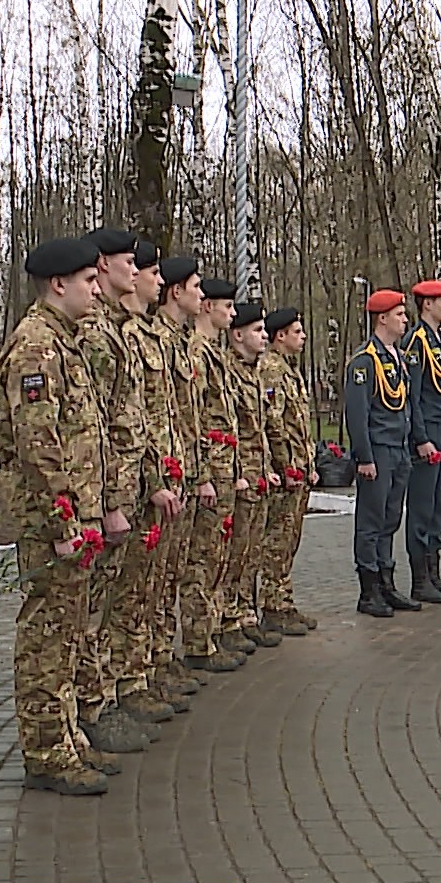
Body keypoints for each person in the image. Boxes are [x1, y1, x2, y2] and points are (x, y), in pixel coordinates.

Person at [0, 236, 111, 795]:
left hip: (77, 518)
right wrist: (66, 524)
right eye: (89, 281)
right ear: (58, 283)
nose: (97, 290)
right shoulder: (36, 347)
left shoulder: (66, 343)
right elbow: (40, 448)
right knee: (47, 636)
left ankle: (66, 734)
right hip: (53, 525)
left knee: (68, 634)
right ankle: (45, 750)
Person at [73, 227, 158, 755]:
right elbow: (92, 426)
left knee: (114, 603)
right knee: (88, 613)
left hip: (123, 491)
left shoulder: (119, 330)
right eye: (128, 262)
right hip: (98, 499)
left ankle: (109, 696)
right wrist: (108, 500)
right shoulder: (96, 333)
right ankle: (92, 706)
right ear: (102, 266)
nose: (134, 271)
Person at [108, 237, 189, 719]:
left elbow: (163, 416)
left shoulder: (142, 334)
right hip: (125, 490)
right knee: (124, 598)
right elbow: (117, 420)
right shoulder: (117, 335)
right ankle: (122, 686)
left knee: (152, 588)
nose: (156, 279)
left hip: (155, 480)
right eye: (148, 270)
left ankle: (144, 673)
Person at [149, 258, 210, 700]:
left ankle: (155, 667)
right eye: (196, 286)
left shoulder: (177, 343)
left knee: (163, 581)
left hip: (179, 475)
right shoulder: (147, 340)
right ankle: (136, 679)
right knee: (140, 593)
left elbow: (186, 418)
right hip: (150, 484)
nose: (202, 297)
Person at [179, 278, 245, 673]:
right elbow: (195, 418)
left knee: (216, 556)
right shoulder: (196, 353)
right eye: (226, 306)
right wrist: (202, 473)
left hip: (222, 471)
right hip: (208, 473)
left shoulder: (213, 353)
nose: (232, 313)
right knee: (201, 561)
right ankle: (198, 640)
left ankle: (213, 631)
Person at [345, 289, 417, 617]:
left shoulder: (397, 356)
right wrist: (364, 457)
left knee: (391, 518)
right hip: (378, 451)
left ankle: (387, 581)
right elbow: (357, 414)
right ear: (382, 318)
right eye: (399, 315)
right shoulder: (365, 360)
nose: (405, 320)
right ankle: (368, 588)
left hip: (399, 449)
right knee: (371, 521)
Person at [221, 303, 282, 648]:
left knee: (250, 553)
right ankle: (229, 617)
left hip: (257, 474)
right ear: (238, 334)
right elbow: (230, 427)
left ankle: (244, 613)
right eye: (258, 331)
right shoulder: (229, 370)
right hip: (239, 474)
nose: (264, 337)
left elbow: (264, 427)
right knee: (233, 553)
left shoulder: (256, 372)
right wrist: (241, 472)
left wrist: (269, 468)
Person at [256, 308, 318, 634]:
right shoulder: (271, 370)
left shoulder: (289, 370)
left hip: (299, 468)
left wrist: (309, 463)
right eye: (297, 331)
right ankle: (272, 605)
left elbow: (298, 424)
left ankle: (284, 601)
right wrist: (286, 465)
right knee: (277, 542)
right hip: (287, 471)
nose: (303, 336)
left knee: (289, 541)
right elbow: (274, 423)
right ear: (280, 335)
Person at [402, 280, 441, 599]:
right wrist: (422, 438)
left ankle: (434, 571)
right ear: (426, 305)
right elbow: (414, 396)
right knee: (423, 507)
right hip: (426, 435)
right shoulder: (417, 342)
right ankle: (420, 578)